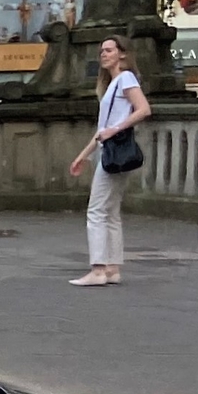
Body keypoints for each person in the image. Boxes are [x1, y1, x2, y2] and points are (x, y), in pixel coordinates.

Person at [67, 35, 152, 286]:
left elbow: (143, 109)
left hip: (113, 150)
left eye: (109, 50)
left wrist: (115, 130)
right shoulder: (114, 84)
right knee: (111, 210)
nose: (104, 54)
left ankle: (98, 269)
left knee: (96, 210)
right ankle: (112, 268)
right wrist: (83, 156)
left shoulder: (124, 78)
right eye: (102, 50)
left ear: (122, 54)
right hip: (112, 150)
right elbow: (102, 129)